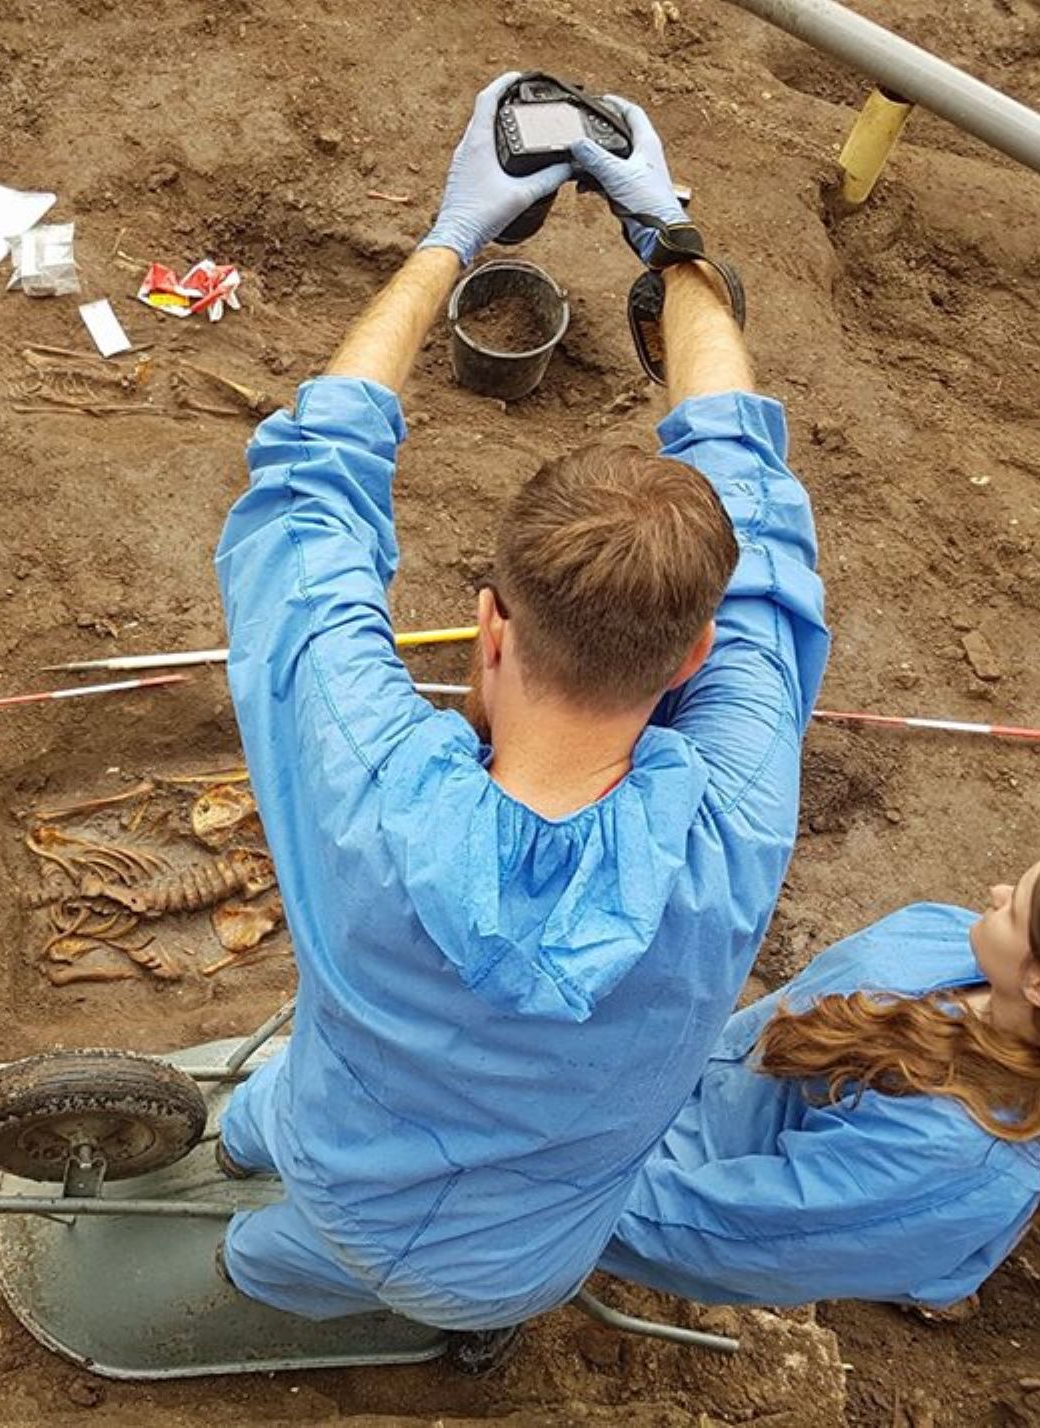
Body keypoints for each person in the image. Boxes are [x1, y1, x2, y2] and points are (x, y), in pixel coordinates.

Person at [210, 72, 830, 1369]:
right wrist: (670, 239)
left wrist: (450, 240)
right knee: (434, 1280)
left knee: (257, 1258)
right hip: (528, 1251)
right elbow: (751, 494)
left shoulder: (366, 777)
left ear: (491, 628)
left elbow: (311, 505)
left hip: (346, 1179)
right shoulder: (735, 813)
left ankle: (244, 1238)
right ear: (696, 657)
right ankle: (468, 1337)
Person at [601, 842, 1040, 1308]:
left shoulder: (953, 1159)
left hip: (670, 1174)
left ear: (1039, 983)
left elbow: (724, 1231)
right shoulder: (948, 938)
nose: (996, 892)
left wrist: (552, 1196)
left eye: (1016, 909)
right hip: (689, 1080)